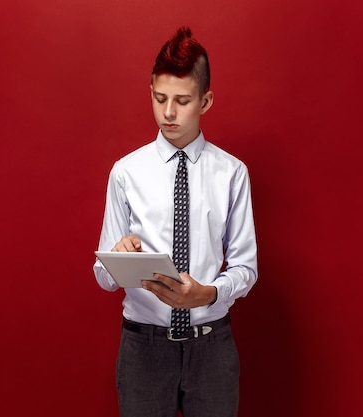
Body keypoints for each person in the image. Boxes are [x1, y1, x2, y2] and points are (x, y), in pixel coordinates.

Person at [93, 26, 258, 417]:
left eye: (182, 101)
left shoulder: (232, 173)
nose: (168, 112)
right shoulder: (126, 172)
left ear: (206, 100)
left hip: (211, 348)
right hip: (143, 349)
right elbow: (102, 275)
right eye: (159, 98)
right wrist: (116, 257)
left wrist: (209, 295)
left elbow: (245, 268)